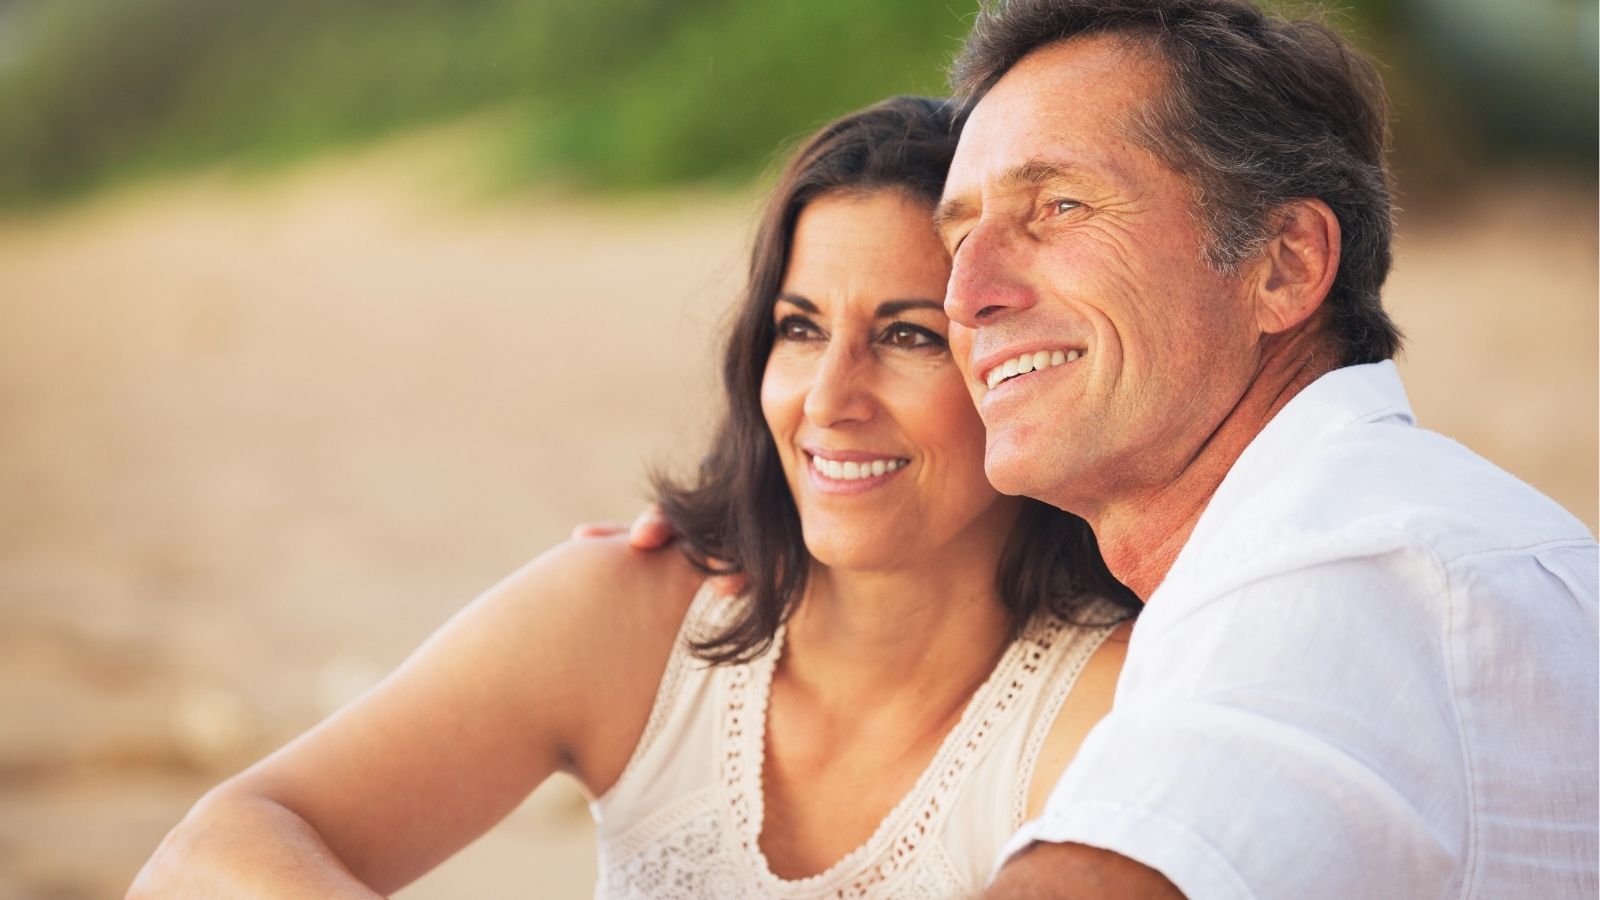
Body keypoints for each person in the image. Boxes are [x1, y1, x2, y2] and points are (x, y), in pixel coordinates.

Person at [620, 1, 1598, 897]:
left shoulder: (1341, 576)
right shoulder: (1390, 530)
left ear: (1285, 264)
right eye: (961, 236)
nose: (967, 296)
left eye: (1059, 209)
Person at [127, 97, 1143, 899]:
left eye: (908, 335)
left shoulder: (1107, 703)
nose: (828, 401)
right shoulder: (638, 613)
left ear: (1013, 367)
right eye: (797, 329)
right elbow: (206, 856)